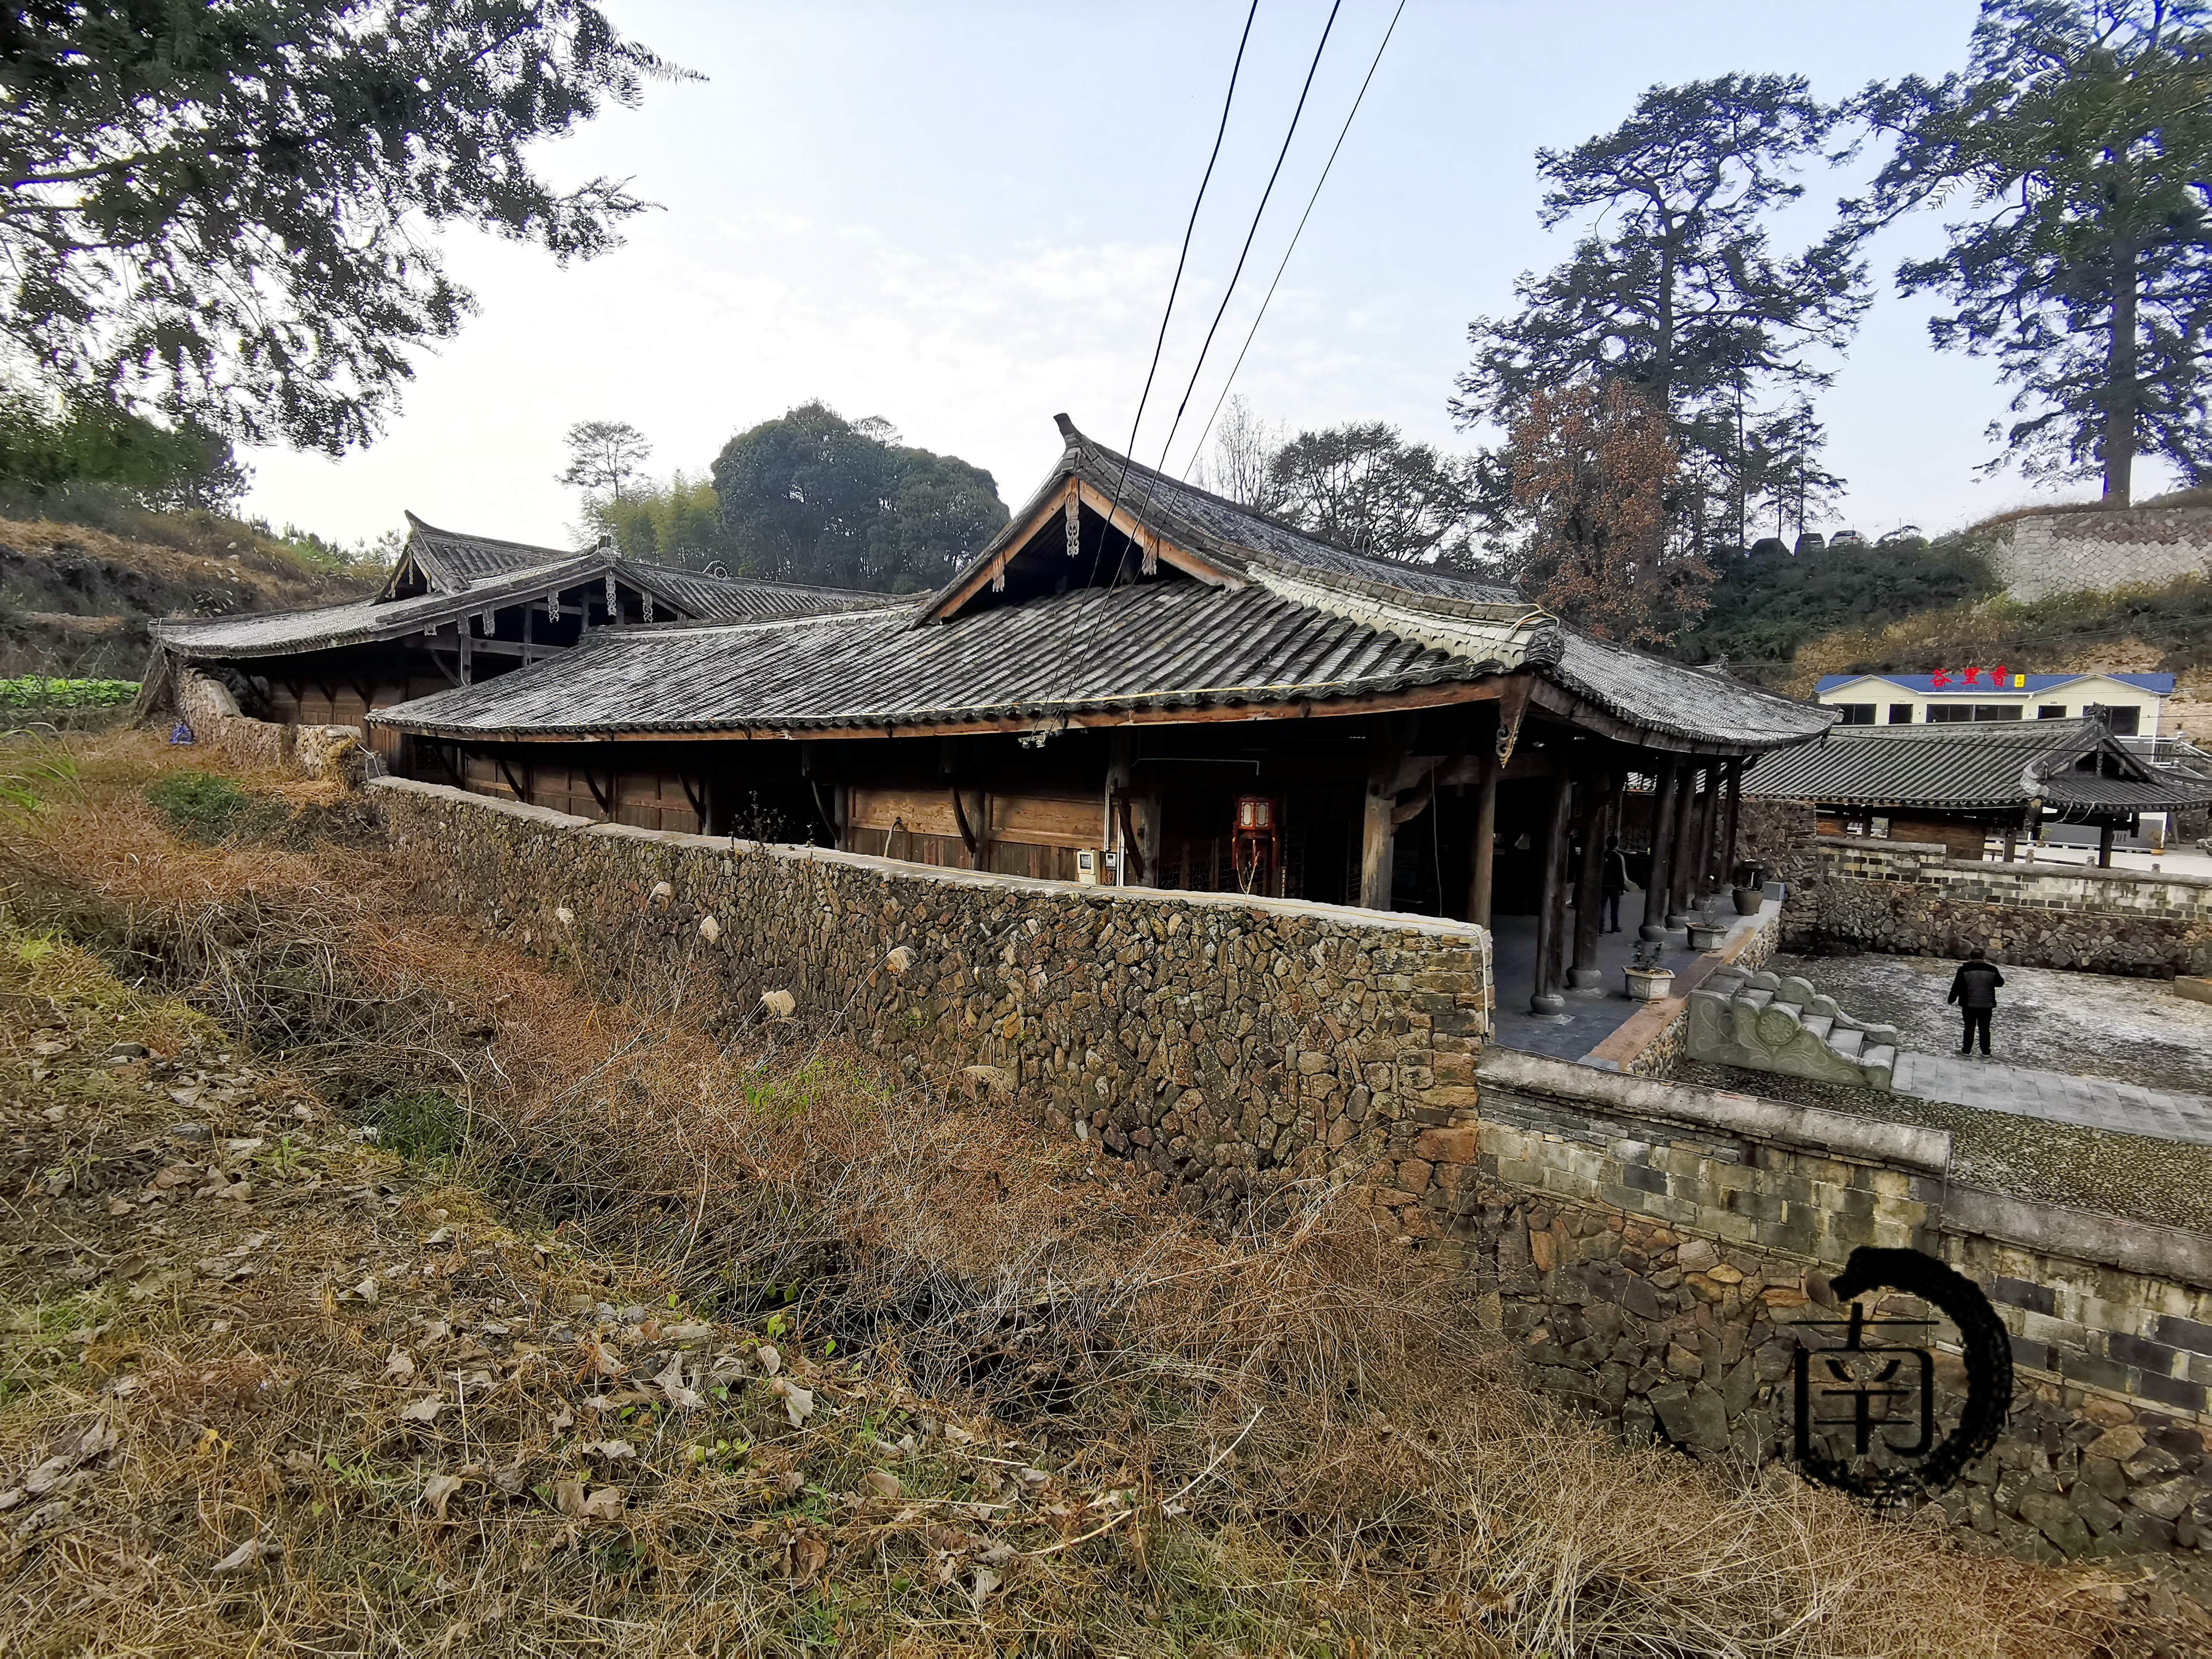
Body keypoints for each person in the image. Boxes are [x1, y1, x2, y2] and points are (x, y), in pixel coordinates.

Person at [1947, 948, 2004, 1057]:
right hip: (1987, 1004)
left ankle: (1967, 1050)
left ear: (1971, 957)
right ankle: (1986, 1051)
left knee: (1969, 1028)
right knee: (1985, 1029)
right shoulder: (1992, 969)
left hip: (1969, 1005)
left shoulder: (1964, 970)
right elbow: (2000, 983)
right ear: (1983, 957)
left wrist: (1951, 999)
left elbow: (1957, 987)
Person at [1601, 835, 1630, 933]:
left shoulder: (1602, 855)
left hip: (1603, 885)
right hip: (1614, 886)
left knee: (1602, 907)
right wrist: (1622, 887)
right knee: (1614, 908)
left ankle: (1600, 928)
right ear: (1617, 844)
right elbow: (1621, 874)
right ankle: (1614, 926)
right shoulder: (1619, 857)